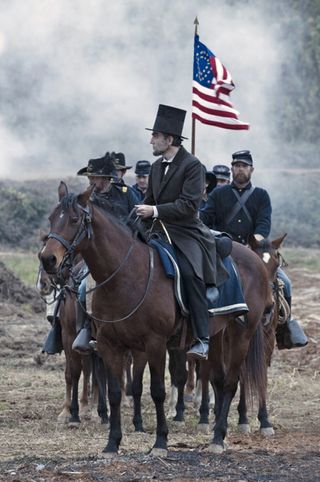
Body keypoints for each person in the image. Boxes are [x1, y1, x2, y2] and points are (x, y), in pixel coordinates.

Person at [135, 104, 228, 360]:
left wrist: (153, 211)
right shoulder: (155, 167)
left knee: (189, 274)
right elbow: (150, 198)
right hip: (158, 231)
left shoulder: (193, 166)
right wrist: (140, 216)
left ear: (169, 139)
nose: (150, 140)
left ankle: (202, 338)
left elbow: (188, 206)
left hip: (187, 233)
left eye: (155, 135)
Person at [200, 149, 307, 350]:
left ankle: (284, 330)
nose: (240, 169)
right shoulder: (217, 194)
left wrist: (253, 244)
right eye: (237, 166)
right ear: (232, 169)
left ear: (251, 169)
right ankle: (201, 328)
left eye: (244, 166)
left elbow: (263, 224)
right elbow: (206, 219)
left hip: (254, 251)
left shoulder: (261, 195)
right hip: (224, 251)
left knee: (286, 283)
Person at [43, 152, 140, 355]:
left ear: (106, 178)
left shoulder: (126, 193)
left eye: (94, 177)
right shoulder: (88, 200)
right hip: (97, 256)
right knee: (79, 286)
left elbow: (137, 222)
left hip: (127, 255)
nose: (91, 181)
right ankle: (87, 330)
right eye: (89, 178)